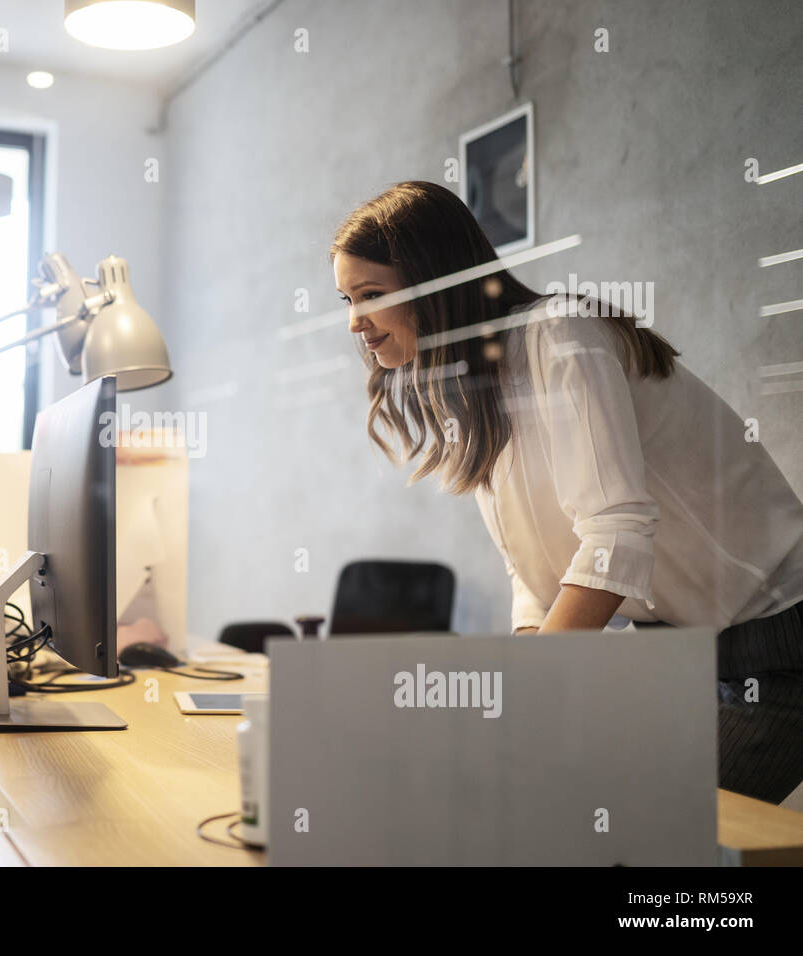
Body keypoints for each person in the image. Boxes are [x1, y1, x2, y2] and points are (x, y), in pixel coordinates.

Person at [331, 180, 803, 803]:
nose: (354, 322)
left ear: (437, 283)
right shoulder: (472, 387)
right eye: (346, 298)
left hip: (775, 643)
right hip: (679, 652)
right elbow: (532, 572)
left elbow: (616, 530)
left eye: (371, 295)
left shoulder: (560, 335)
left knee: (659, 843)